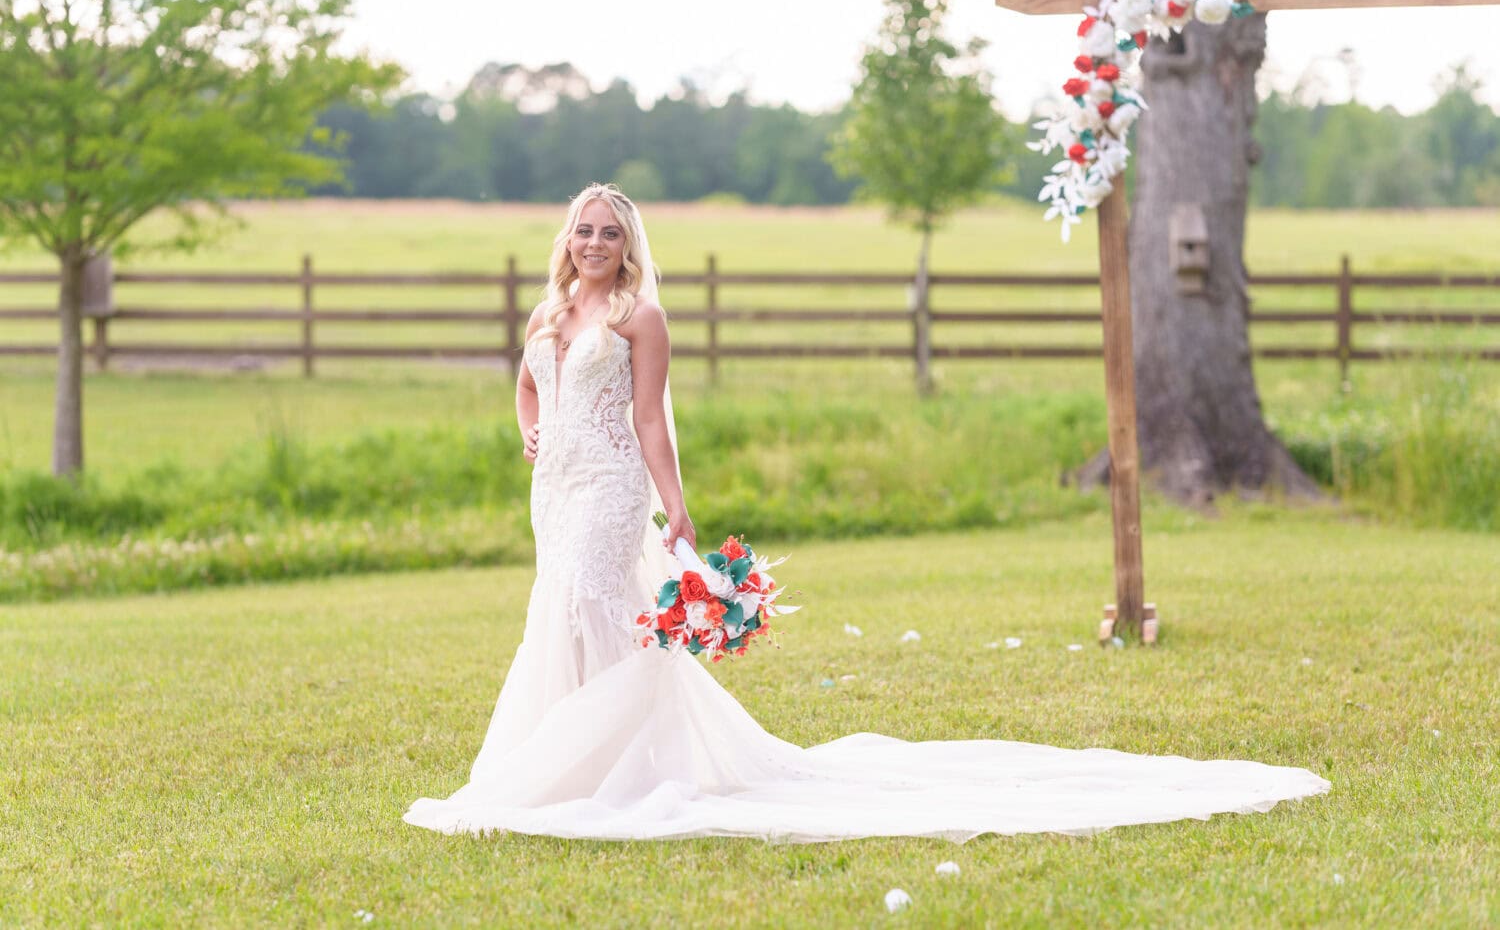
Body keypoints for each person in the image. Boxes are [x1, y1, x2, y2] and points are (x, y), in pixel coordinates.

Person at [402, 183, 1330, 842]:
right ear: (567, 240)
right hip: (554, 488)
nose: (594, 243)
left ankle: (611, 766)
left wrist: (675, 504)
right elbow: (528, 384)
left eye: (608, 232)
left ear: (629, 244)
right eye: (583, 230)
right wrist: (531, 430)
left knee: (597, 607)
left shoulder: (640, 318)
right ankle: (566, 750)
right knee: (553, 609)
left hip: (610, 486)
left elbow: (649, 416)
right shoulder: (550, 312)